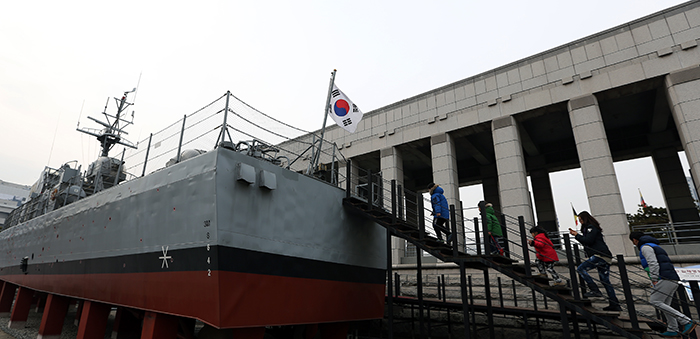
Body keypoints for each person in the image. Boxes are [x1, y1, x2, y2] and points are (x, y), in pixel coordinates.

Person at [629, 231, 698, 337]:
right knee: (665, 304)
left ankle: (686, 321)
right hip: (672, 278)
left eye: (633, 242)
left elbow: (653, 263)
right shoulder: (655, 246)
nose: (634, 244)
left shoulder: (645, 247)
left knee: (655, 301)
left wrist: (654, 278)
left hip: (663, 278)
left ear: (635, 240)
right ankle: (673, 329)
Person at [568, 211, 621, 311]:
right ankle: (614, 304)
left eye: (580, 220)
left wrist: (576, 235)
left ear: (585, 219)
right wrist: (577, 236)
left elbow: (588, 241)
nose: (580, 222)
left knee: (581, 269)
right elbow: (587, 241)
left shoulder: (590, 228)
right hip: (604, 256)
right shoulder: (591, 228)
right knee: (605, 281)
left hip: (599, 255)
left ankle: (594, 289)